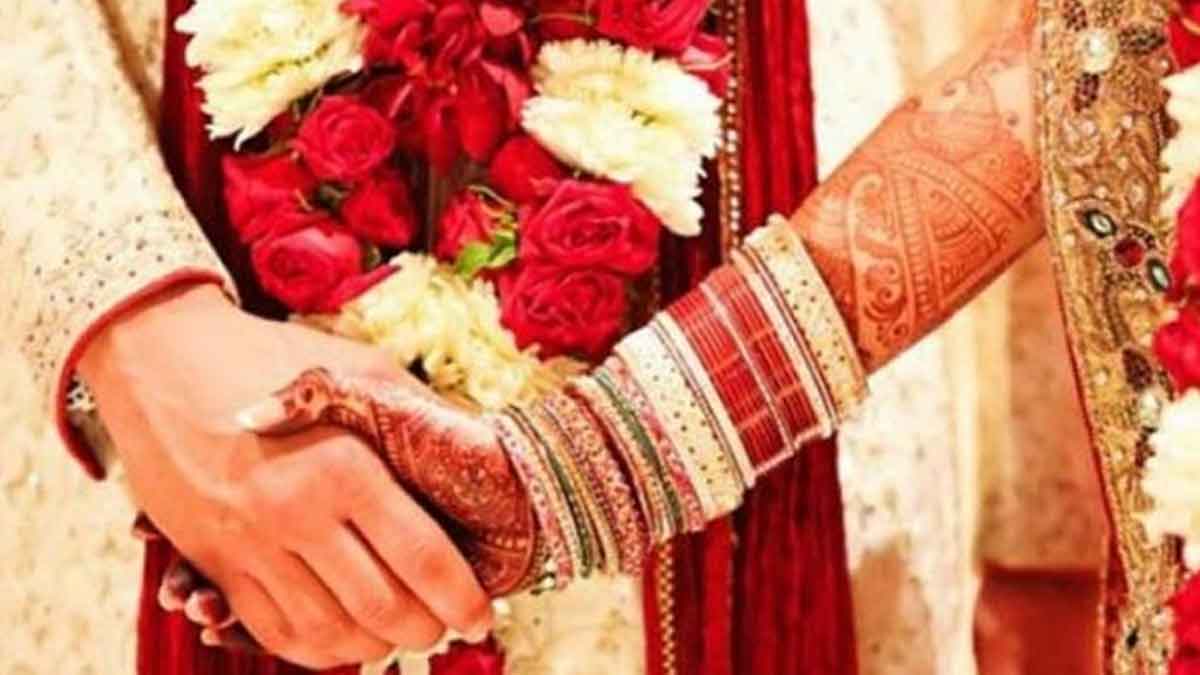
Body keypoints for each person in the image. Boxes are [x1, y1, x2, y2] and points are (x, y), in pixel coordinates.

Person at [0, 1, 1179, 675]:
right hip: (170, 308)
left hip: (795, 345)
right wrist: (129, 316)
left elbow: (1101, 39)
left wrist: (1049, 527)